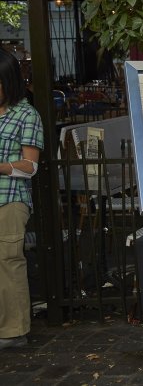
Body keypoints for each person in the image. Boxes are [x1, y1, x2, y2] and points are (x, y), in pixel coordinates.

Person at [0, 49, 44, 351]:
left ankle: (13, 330)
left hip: (9, 199)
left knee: (7, 261)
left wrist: (2, 166)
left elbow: (30, 166)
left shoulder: (26, 114)